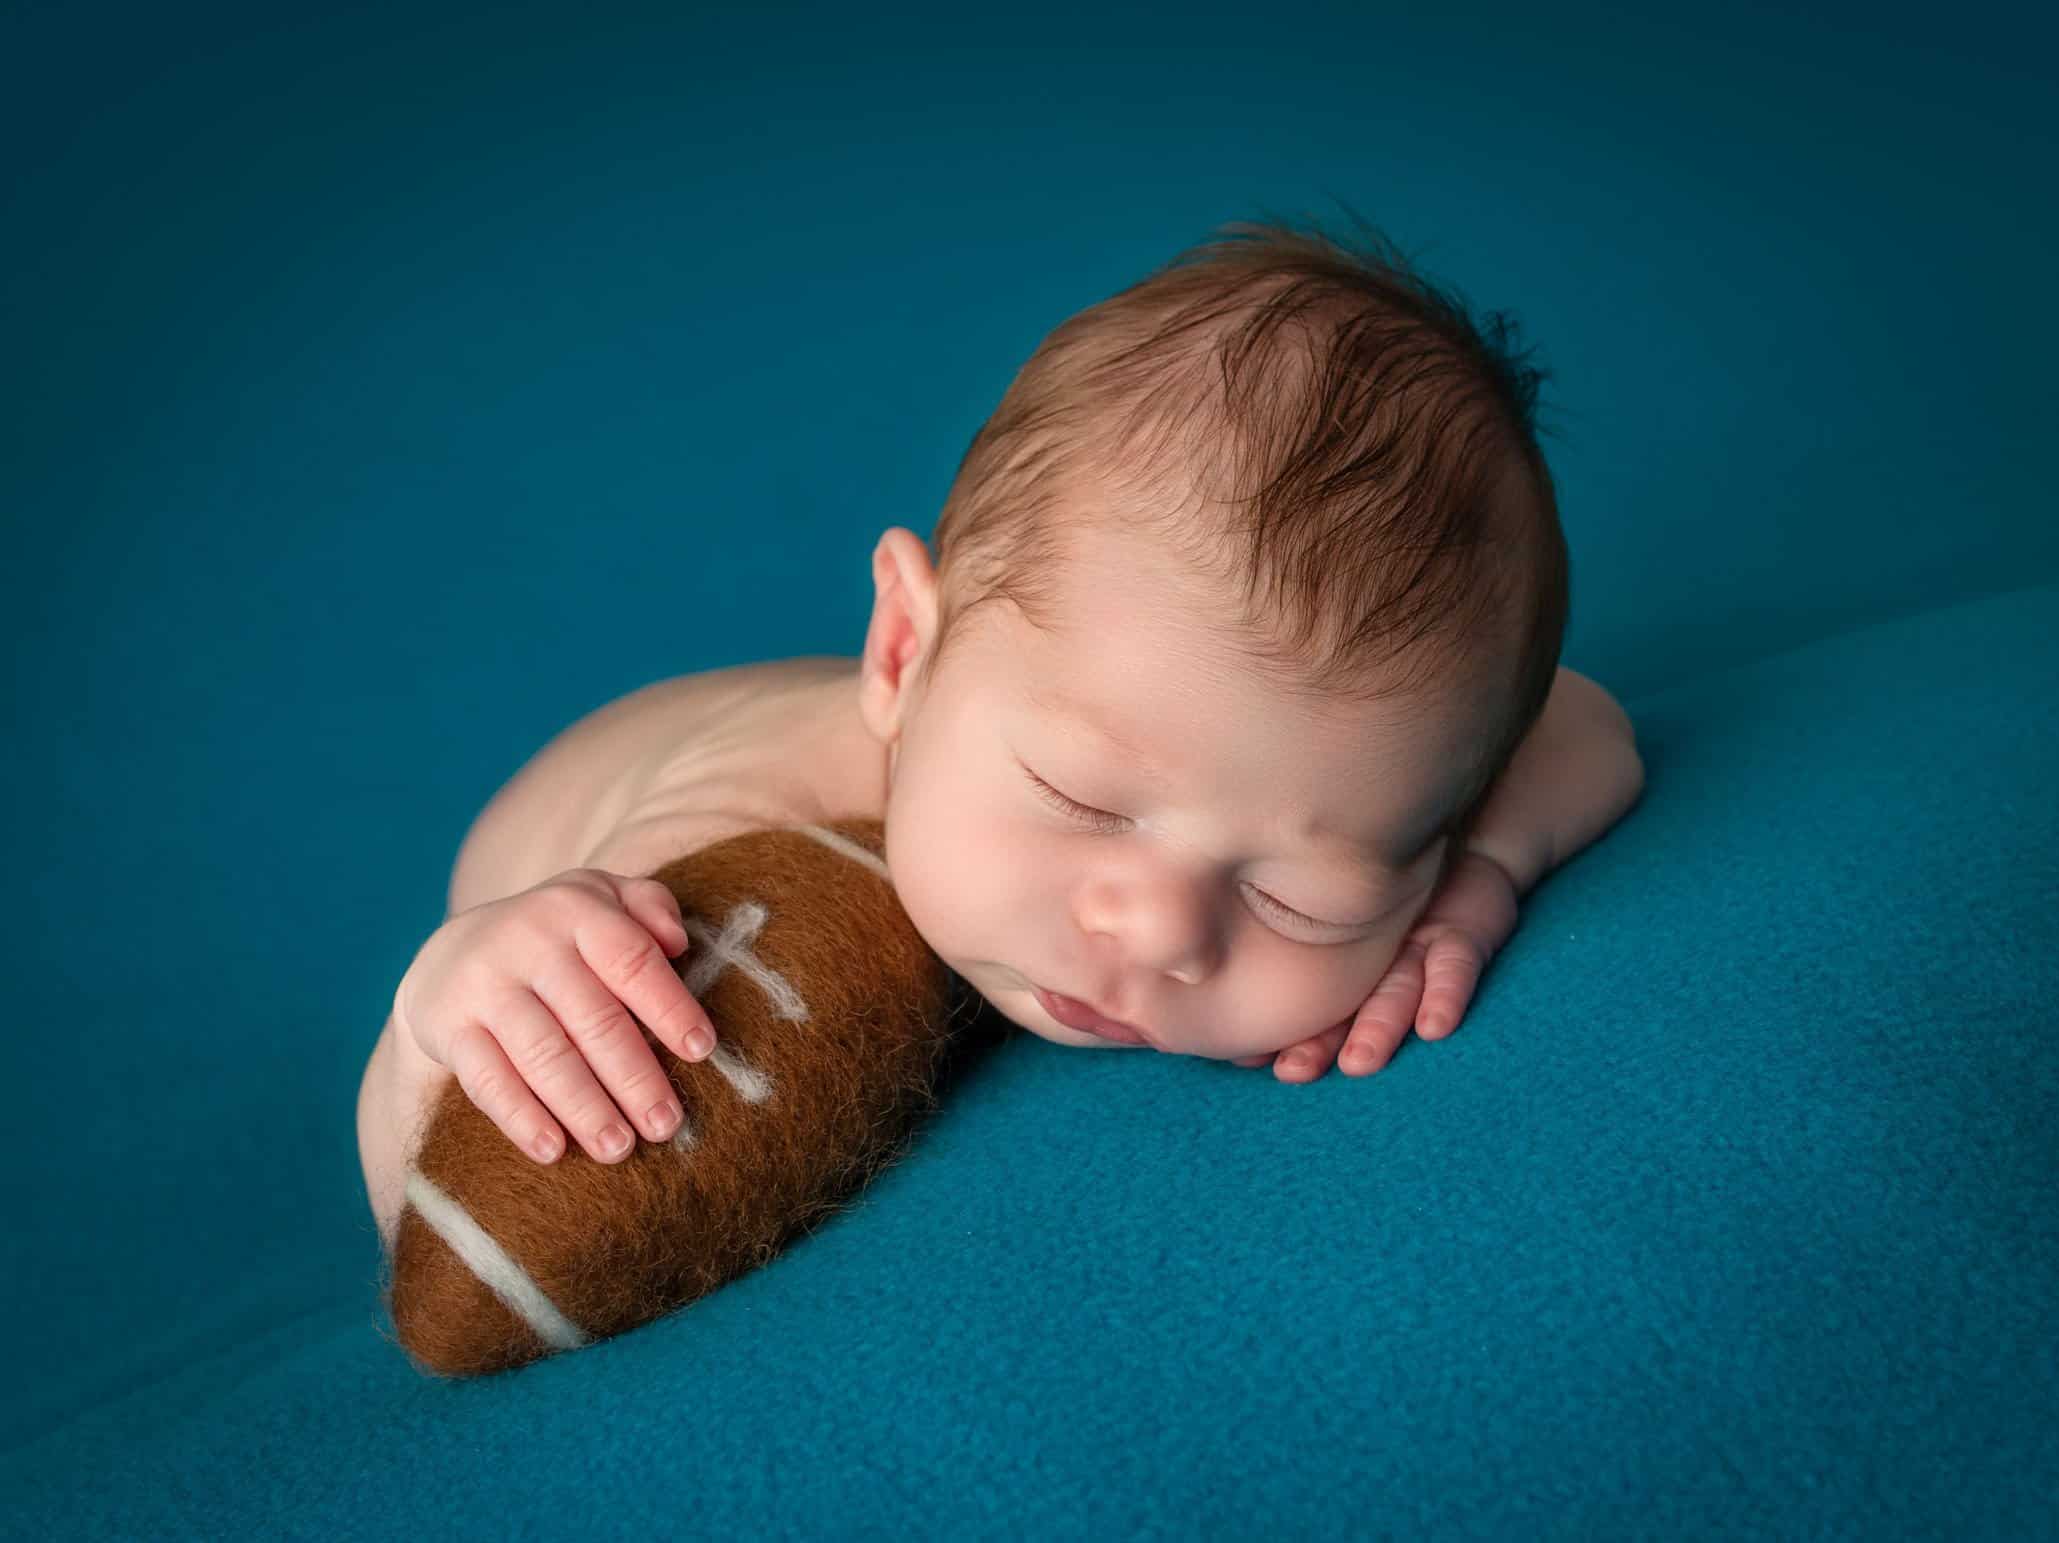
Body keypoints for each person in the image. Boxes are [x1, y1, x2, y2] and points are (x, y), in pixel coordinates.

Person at [359, 213, 1646, 1243]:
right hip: (569, 817)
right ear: (903, 652)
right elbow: (448, 1201)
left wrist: (1475, 879)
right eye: (1083, 800)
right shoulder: (710, 863)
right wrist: (441, 1011)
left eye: (1303, 895)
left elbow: (1584, 726)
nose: (1160, 930)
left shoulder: (1329, 766)